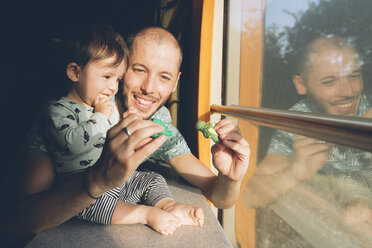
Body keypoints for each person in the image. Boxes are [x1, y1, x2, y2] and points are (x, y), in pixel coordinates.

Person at [8, 26, 250, 242]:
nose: (149, 88)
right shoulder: (65, 114)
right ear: (120, 67)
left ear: (175, 82)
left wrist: (230, 176)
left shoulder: (157, 123)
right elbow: (20, 221)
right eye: (139, 70)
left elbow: (220, 197)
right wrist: (97, 180)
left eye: (164, 77)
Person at [39, 23, 204, 236]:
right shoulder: (58, 110)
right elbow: (74, 142)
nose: (113, 88)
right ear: (74, 72)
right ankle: (146, 214)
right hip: (82, 185)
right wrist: (101, 115)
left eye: (116, 79)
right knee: (91, 205)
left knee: (152, 179)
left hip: (117, 182)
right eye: (107, 77)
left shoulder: (109, 107)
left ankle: (168, 206)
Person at [243, 34, 372, 223]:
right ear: (301, 84)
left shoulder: (367, 106)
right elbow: (250, 197)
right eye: (329, 81)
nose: (348, 92)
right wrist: (297, 169)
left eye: (354, 76)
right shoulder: (299, 122)